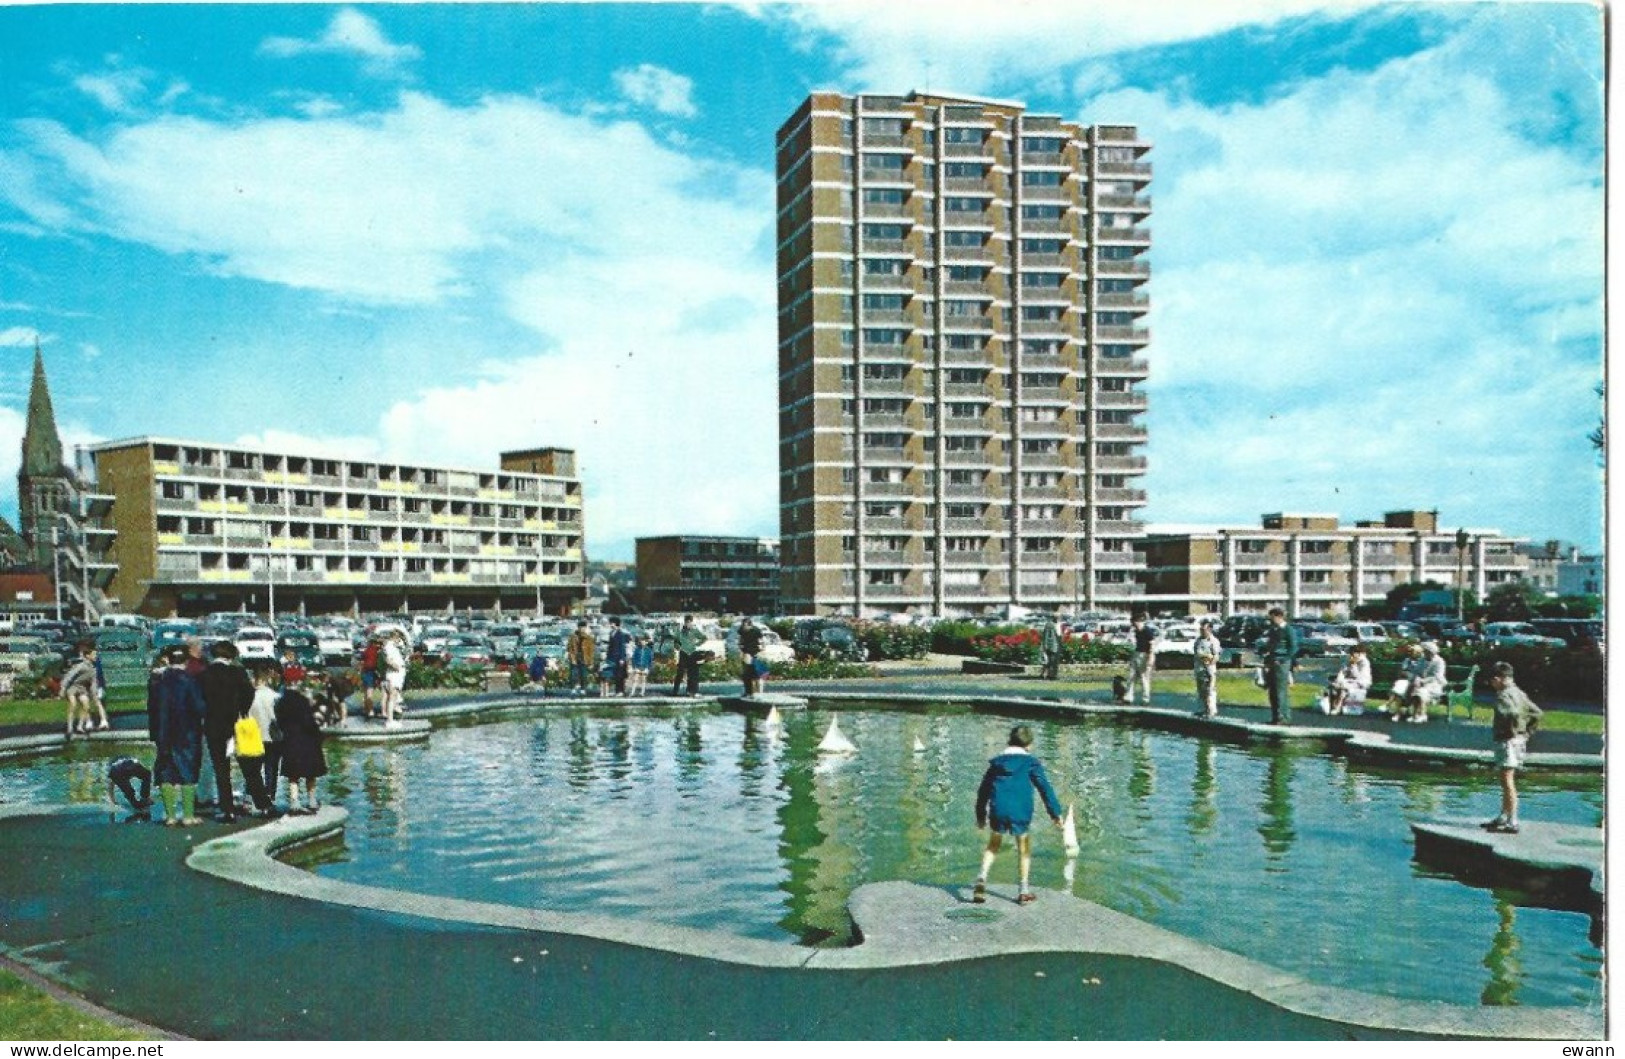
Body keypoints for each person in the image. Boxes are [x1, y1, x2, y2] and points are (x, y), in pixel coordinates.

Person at [973, 724, 1064, 906]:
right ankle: (1023, 891)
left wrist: (981, 815)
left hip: (998, 808)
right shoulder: (1031, 763)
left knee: (993, 844)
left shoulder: (996, 763)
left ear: (1009, 741)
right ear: (1028, 745)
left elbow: (983, 791)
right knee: (1024, 847)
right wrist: (1055, 814)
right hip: (1021, 811)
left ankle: (982, 878)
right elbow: (1045, 789)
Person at [149, 644, 206, 827]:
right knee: (188, 771)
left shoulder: (157, 680)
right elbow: (200, 707)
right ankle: (188, 815)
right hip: (187, 732)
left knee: (166, 771)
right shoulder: (190, 680)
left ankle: (170, 815)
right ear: (186, 661)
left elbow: (151, 708)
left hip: (163, 733)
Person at [199, 640, 255, 823]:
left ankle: (227, 808)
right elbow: (249, 693)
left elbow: (201, 699)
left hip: (214, 724)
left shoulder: (205, 673)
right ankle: (256, 800)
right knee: (247, 763)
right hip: (236, 723)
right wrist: (242, 710)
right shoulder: (238, 672)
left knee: (221, 768)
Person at [1483, 661, 1542, 834]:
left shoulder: (1503, 696)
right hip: (1519, 741)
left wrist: (1511, 730)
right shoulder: (1519, 692)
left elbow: (1510, 714)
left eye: (1492, 681)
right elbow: (1537, 713)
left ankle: (1512, 820)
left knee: (1508, 781)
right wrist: (1526, 732)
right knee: (1506, 779)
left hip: (1507, 741)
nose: (1492, 685)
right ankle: (1503, 815)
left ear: (1497, 679)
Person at [275, 683, 327, 815]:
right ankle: (312, 801)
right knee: (311, 774)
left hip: (290, 740)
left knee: (293, 775)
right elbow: (309, 722)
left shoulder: (281, 702)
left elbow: (279, 722)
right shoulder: (303, 701)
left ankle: (294, 802)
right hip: (307, 741)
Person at [248, 663, 283, 812]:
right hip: (273, 737)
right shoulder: (275, 696)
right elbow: (278, 717)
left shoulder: (249, 696)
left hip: (254, 736)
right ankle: (270, 796)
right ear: (267, 678)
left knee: (253, 769)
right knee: (271, 769)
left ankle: (251, 797)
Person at [1259, 607, 1300, 725]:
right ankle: (1275, 716)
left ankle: (1283, 717)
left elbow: (1293, 648)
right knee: (1272, 690)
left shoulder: (1288, 630)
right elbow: (1270, 646)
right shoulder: (1273, 630)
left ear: (1279, 616)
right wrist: (1265, 654)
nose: (1270, 620)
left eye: (1272, 617)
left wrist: (1283, 660)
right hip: (1272, 662)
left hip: (1281, 663)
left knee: (1280, 690)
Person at [1403, 641, 1448, 724]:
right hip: (1421, 683)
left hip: (1435, 684)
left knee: (1421, 692)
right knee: (1414, 689)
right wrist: (1416, 679)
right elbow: (1416, 671)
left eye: (1426, 651)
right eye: (1424, 651)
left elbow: (1437, 676)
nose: (1424, 653)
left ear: (1431, 652)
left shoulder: (1440, 661)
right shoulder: (1422, 660)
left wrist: (1423, 681)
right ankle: (1414, 714)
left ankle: (1422, 715)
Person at [61, 644, 100, 738]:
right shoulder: (81, 666)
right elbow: (69, 676)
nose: (95, 657)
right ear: (88, 656)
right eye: (94, 655)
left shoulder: (93, 669)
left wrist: (94, 693)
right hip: (73, 688)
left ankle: (80, 726)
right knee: (73, 705)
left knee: (86, 705)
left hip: (82, 688)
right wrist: (63, 688)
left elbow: (93, 683)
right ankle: (69, 728)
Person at [1325, 643, 1372, 716]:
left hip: (1361, 682)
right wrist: (1338, 681)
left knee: (1343, 689)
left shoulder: (1364, 662)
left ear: (1359, 654)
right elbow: (1342, 672)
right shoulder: (1348, 660)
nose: (1352, 655)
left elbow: (1359, 677)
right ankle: (1332, 707)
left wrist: (1353, 665)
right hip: (1349, 682)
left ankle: (1338, 707)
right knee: (1333, 687)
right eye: (1351, 653)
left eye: (1354, 653)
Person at [1126, 611, 1157, 706]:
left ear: (1138, 621)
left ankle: (1145, 699)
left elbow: (1152, 644)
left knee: (1144, 678)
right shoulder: (1136, 631)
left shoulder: (1147, 631)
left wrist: (1150, 658)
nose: (1133, 625)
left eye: (1134, 623)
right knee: (1131, 676)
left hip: (1145, 655)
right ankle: (1128, 697)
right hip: (1137, 653)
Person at [672, 615, 707, 697]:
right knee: (680, 672)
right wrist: (677, 647)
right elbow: (675, 641)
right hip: (683, 653)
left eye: (690, 622)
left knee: (693, 673)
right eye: (687, 622)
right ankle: (675, 691)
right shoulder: (680, 631)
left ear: (692, 622)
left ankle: (691, 691)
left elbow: (704, 638)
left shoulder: (695, 630)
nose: (689, 624)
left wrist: (697, 644)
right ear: (684, 622)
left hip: (692, 653)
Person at [1192, 620, 1221, 717]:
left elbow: (1216, 656)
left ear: (1209, 629)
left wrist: (1209, 662)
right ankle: (1202, 709)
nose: (1201, 631)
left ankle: (1211, 710)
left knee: (1210, 690)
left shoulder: (1214, 641)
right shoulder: (1198, 641)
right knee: (1201, 690)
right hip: (1199, 668)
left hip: (1209, 669)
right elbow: (1196, 654)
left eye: (1203, 629)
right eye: (1200, 629)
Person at [379, 630, 407, 727]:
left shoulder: (391, 647)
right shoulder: (389, 647)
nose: (399, 640)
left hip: (395, 675)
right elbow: (388, 660)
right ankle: (390, 721)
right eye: (398, 638)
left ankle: (391, 719)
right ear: (395, 637)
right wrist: (397, 667)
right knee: (392, 697)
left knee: (393, 698)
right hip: (394, 675)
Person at [566, 620, 596, 697]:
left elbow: (591, 651)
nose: (582, 629)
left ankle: (583, 689)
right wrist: (571, 657)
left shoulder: (588, 638)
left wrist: (591, 662)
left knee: (583, 674)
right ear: (578, 628)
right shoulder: (573, 636)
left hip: (584, 658)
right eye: (580, 628)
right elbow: (569, 648)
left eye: (583, 628)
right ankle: (573, 689)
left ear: (585, 628)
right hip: (575, 657)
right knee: (573, 674)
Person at [737, 616, 764, 697]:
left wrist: (761, 651)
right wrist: (740, 649)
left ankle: (758, 692)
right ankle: (748, 691)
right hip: (746, 651)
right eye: (743, 626)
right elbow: (740, 640)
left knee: (757, 674)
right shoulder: (741, 631)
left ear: (750, 625)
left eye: (745, 626)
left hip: (755, 651)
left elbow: (762, 642)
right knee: (746, 673)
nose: (744, 628)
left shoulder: (756, 631)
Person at [605, 617, 631, 696]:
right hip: (612, 657)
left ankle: (621, 691)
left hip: (619, 657)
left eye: (611, 623)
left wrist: (622, 658)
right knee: (615, 675)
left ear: (615, 624)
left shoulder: (620, 634)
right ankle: (616, 690)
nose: (610, 624)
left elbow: (622, 647)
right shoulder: (611, 633)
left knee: (620, 675)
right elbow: (610, 646)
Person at [359, 636, 382, 718]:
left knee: (365, 692)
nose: (379, 645)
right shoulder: (375, 652)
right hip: (371, 672)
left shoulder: (365, 651)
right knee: (369, 692)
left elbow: (361, 663)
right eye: (378, 643)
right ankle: (371, 710)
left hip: (365, 672)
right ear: (374, 643)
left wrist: (360, 674)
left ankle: (365, 709)